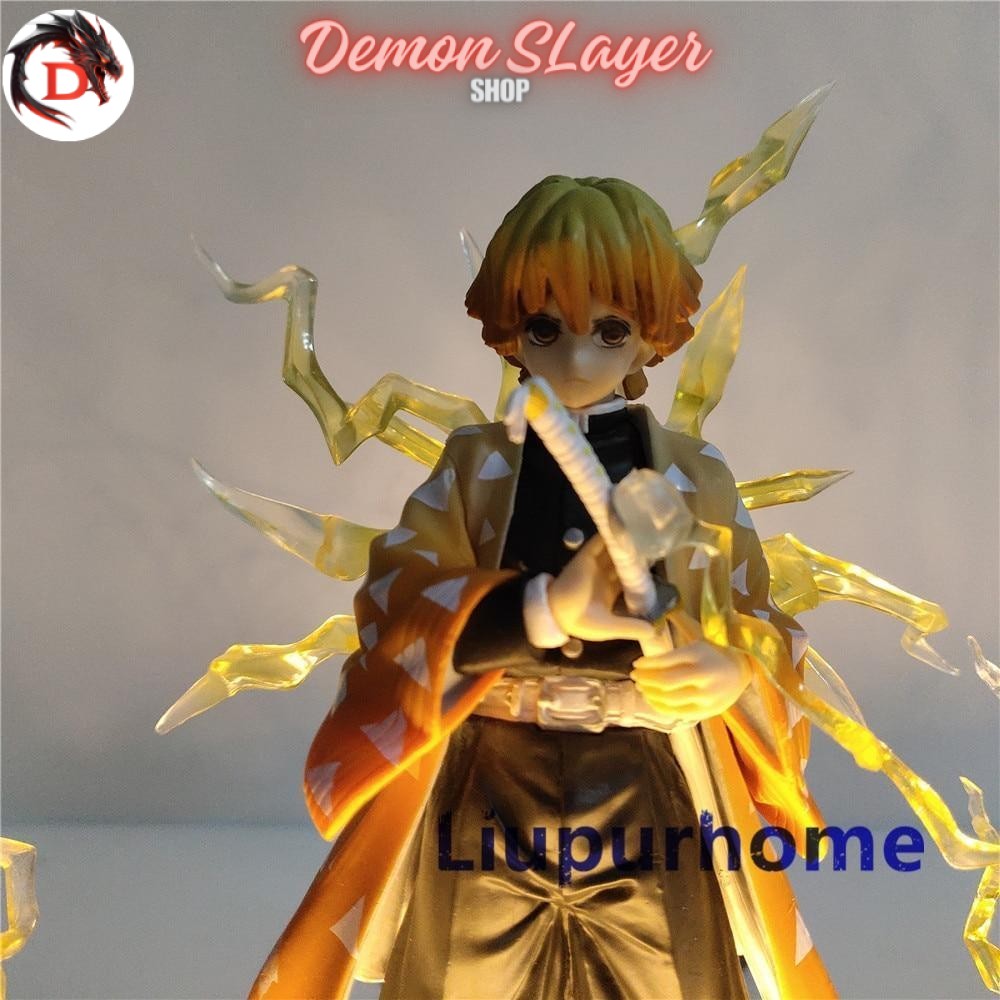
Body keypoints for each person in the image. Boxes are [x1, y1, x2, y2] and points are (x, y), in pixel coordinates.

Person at [249, 176, 836, 1000]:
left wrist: (731, 672)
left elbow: (761, 624)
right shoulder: (473, 467)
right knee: (462, 975)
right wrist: (541, 610)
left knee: (669, 976)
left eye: (610, 330)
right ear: (510, 332)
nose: (577, 360)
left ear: (652, 337)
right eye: (545, 329)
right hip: (491, 774)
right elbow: (398, 604)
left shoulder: (697, 476)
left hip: (649, 776)